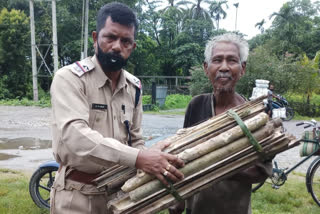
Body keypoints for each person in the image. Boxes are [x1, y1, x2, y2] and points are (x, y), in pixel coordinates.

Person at [50, 3, 184, 214]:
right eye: (110, 37)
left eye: (125, 41)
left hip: (122, 195)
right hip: (77, 196)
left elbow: (136, 139)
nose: (116, 46)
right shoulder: (70, 78)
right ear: (95, 38)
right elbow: (75, 136)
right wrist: (139, 158)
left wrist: (150, 157)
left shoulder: (134, 87)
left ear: (133, 47)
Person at [169, 33, 272, 214]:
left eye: (232, 60)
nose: (224, 67)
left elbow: (261, 172)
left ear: (243, 68)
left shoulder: (255, 116)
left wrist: (214, 168)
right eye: (217, 60)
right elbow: (180, 156)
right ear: (206, 68)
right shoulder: (197, 105)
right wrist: (179, 200)